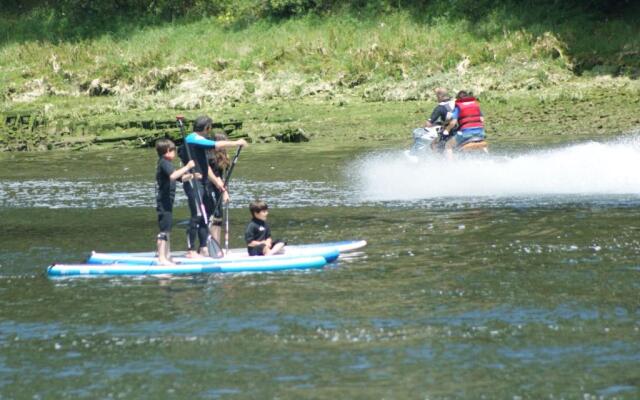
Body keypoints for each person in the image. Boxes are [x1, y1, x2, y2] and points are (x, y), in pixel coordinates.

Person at [178, 116, 247, 257]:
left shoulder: (198, 141)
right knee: (197, 214)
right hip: (193, 182)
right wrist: (236, 143)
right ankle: (190, 250)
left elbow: (206, 168)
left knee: (207, 214)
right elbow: (215, 145)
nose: (210, 131)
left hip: (202, 181)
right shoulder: (193, 138)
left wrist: (219, 184)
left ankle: (203, 247)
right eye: (210, 128)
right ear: (207, 128)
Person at [154, 138, 195, 265]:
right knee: (164, 229)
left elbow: (180, 178)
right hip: (164, 201)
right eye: (173, 151)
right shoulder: (164, 162)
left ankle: (167, 255)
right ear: (167, 151)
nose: (175, 154)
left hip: (168, 201)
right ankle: (161, 258)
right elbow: (173, 175)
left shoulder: (168, 163)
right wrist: (187, 166)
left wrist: (192, 176)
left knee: (168, 228)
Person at [204, 132, 232, 245]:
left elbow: (223, 177)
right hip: (209, 185)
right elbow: (214, 176)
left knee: (219, 215)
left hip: (219, 187)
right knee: (213, 215)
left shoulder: (224, 156)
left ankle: (217, 244)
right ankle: (211, 244)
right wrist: (223, 191)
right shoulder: (209, 156)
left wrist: (225, 192)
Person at [443, 90, 485, 158]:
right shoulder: (475, 105)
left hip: (466, 134)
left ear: (458, 99)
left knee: (448, 145)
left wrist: (447, 130)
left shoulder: (458, 107)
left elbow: (453, 122)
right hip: (480, 133)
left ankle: (450, 165)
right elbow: (482, 120)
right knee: (483, 145)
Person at [425, 87, 456, 152]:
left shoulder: (440, 107)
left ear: (440, 96)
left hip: (449, 132)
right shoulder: (455, 102)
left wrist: (425, 127)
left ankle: (439, 158)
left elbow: (428, 123)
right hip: (460, 128)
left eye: (436, 96)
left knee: (434, 144)